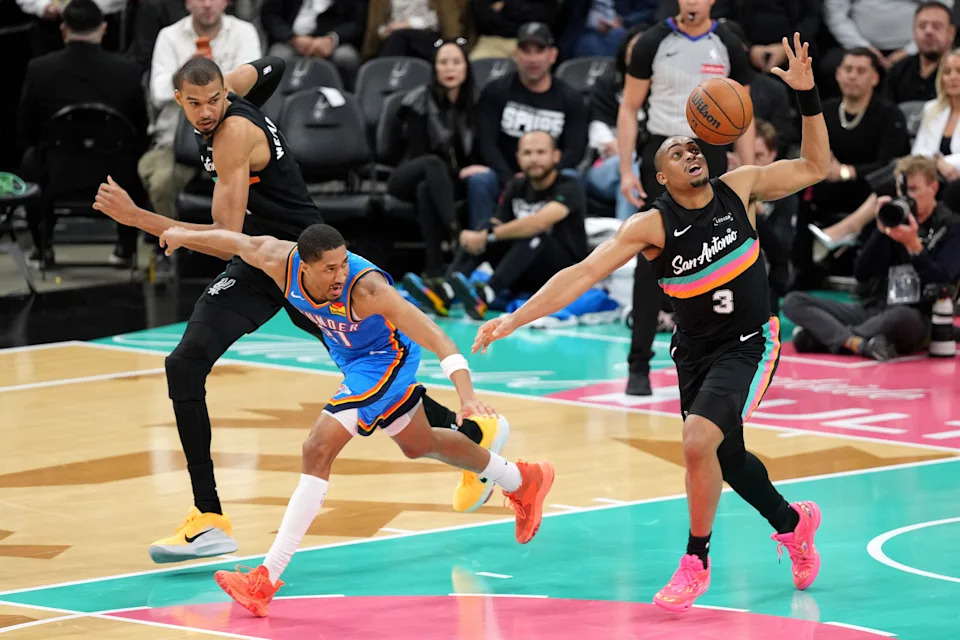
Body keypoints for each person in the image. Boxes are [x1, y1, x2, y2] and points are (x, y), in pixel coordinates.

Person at [93, 56, 508, 564]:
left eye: (215, 101)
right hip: (279, 257)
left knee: (366, 367)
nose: (206, 113)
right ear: (178, 100)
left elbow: (227, 242)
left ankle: (212, 520)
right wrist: (240, 97)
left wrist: (137, 217)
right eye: (196, 104)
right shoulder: (236, 89)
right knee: (202, 364)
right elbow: (274, 66)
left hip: (291, 266)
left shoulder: (230, 138)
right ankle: (209, 519)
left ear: (226, 94)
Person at [474, 33, 827, 612]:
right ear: (660, 177)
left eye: (694, 148)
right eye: (675, 152)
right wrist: (514, 317)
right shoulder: (650, 226)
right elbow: (581, 275)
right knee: (726, 457)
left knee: (697, 442)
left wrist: (808, 98)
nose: (689, 154)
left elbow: (817, 165)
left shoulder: (742, 187)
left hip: (750, 342)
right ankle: (794, 524)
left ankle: (696, 558)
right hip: (694, 350)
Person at [158, 222, 555, 617]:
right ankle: (522, 479)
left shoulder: (368, 290)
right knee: (421, 444)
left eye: (343, 263)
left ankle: (265, 577)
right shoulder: (277, 260)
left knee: (316, 449)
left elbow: (439, 339)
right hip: (353, 361)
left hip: (387, 360)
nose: (340, 274)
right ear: (305, 266)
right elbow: (234, 240)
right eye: (329, 269)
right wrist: (182, 235)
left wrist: (466, 398)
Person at [617, 0, 756, 397]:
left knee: (716, 256)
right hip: (661, 152)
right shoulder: (653, 41)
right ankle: (638, 363)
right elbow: (629, 107)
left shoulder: (727, 42)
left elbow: (742, 116)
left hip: (708, 154)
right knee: (650, 256)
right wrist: (627, 169)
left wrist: (748, 174)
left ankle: (719, 358)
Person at [785, 155, 960, 360]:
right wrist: (881, 231)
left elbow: (942, 280)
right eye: (902, 191)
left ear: (933, 188)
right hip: (873, 308)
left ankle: (830, 337)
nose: (906, 197)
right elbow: (862, 273)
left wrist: (914, 247)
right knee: (793, 301)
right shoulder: (893, 218)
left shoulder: (951, 227)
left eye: (913, 190)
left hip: (917, 316)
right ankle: (857, 342)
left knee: (900, 316)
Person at [16, 0, 149, 267]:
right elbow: (141, 128)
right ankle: (125, 246)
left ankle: (43, 247)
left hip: (56, 170)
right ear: (103, 28)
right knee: (137, 157)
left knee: (30, 159)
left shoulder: (39, 69)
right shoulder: (127, 71)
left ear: (64, 30)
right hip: (115, 173)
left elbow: (25, 128)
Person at [439, 130, 588, 321]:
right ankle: (446, 289)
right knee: (486, 226)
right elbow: (498, 224)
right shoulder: (517, 185)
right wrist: (476, 235)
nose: (533, 159)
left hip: (559, 272)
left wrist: (488, 236)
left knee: (534, 234)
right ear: (518, 158)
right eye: (527, 153)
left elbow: (538, 223)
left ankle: (487, 295)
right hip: (520, 270)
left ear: (556, 156)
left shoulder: (569, 186)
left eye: (540, 152)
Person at [389, 38, 485, 291]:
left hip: (437, 183)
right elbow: (419, 153)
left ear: (466, 67)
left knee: (426, 190)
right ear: (434, 68)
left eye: (456, 62)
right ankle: (456, 235)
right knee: (430, 167)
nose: (450, 68)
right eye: (443, 62)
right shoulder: (418, 102)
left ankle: (434, 270)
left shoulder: (476, 103)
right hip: (405, 175)